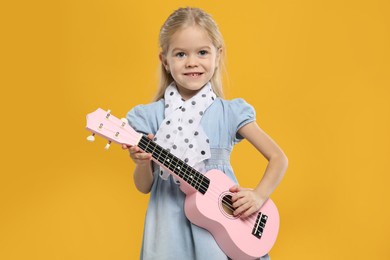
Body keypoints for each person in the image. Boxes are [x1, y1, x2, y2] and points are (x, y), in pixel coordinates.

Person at [122, 7, 288, 260]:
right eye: (180, 54)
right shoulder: (150, 117)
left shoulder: (230, 112)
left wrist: (258, 196)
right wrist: (140, 163)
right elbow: (143, 186)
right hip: (167, 227)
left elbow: (278, 158)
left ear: (218, 55)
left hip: (223, 226)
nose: (192, 62)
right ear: (164, 60)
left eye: (202, 52)